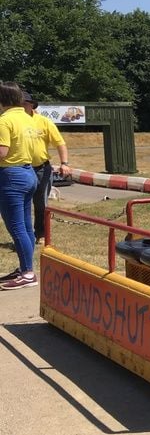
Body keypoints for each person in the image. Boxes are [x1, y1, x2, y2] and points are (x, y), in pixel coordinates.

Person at [0, 82, 39, 289]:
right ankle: (26, 267)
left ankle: (27, 273)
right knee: (25, 226)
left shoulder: (4, 121)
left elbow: (2, 152)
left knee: (16, 227)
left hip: (11, 175)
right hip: (28, 171)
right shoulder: (27, 118)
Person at [23, 91, 71, 243]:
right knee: (21, 203)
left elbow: (60, 143)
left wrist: (64, 163)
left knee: (41, 203)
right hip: (21, 168)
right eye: (19, 103)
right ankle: (24, 236)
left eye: (25, 103)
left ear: (32, 105)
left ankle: (41, 234)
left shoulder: (44, 122)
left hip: (41, 168)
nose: (22, 106)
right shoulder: (12, 121)